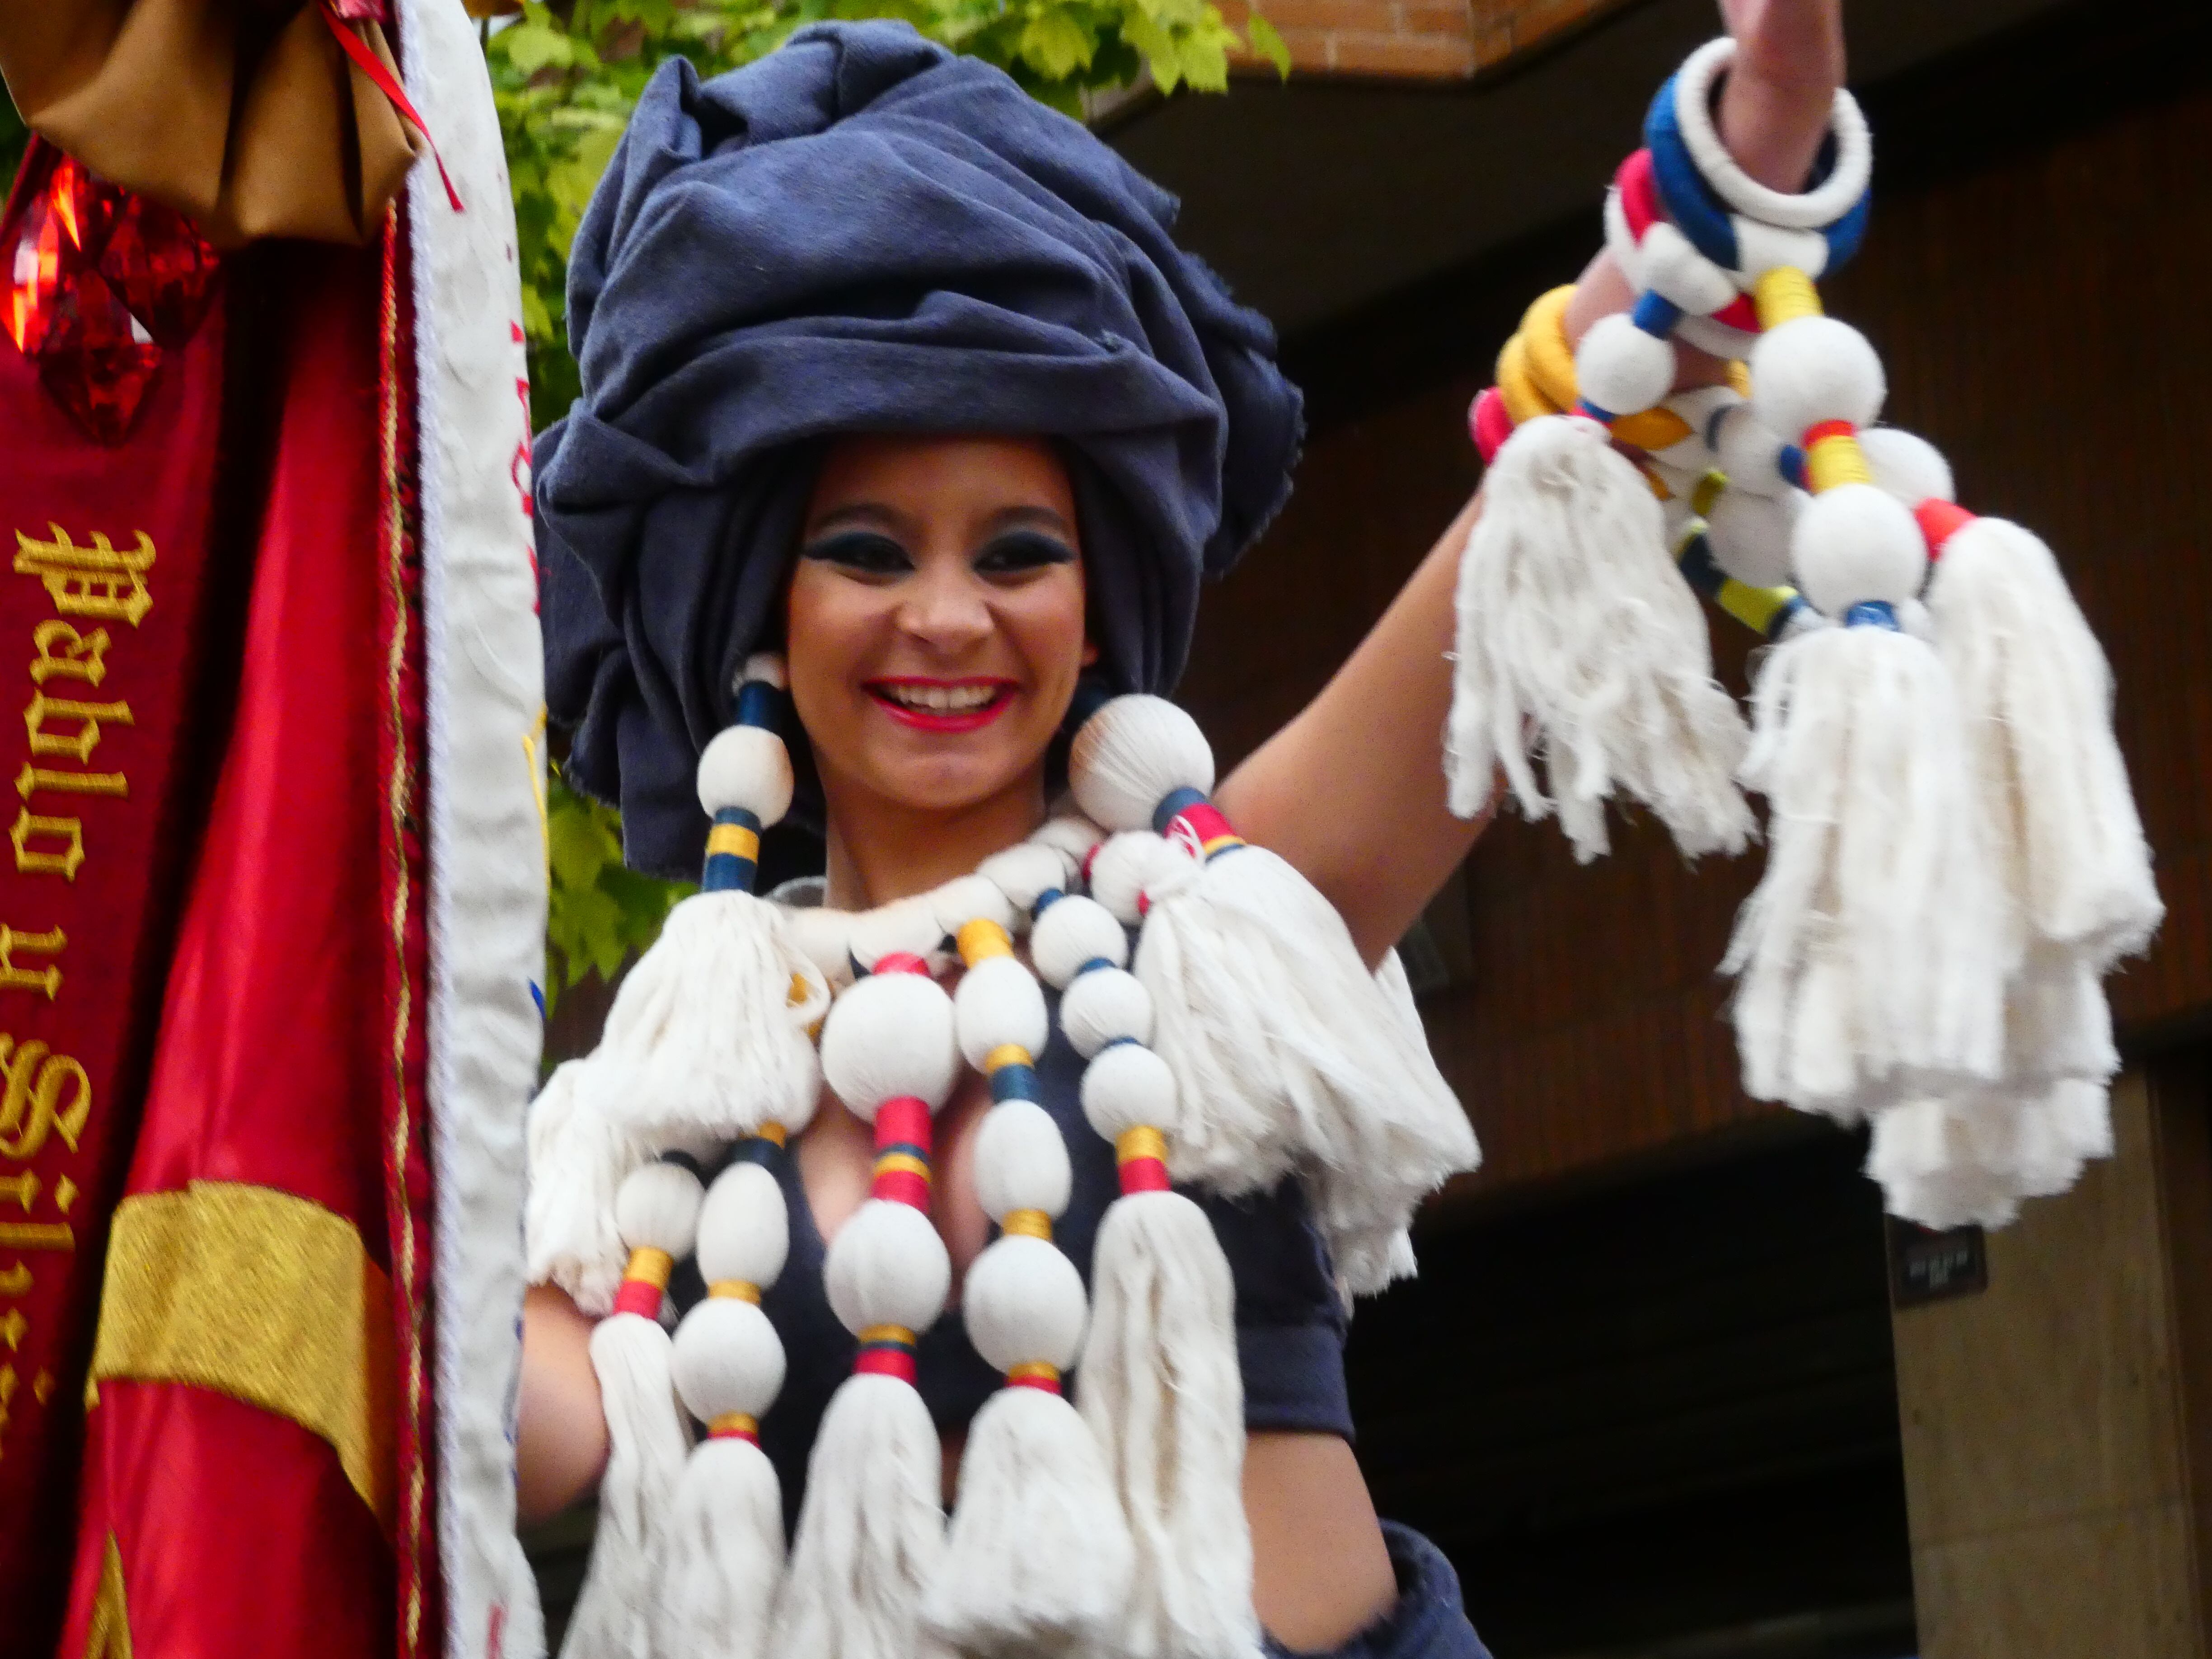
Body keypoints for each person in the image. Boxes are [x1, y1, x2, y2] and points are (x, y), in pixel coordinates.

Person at [520, 5, 1846, 1654]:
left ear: (1095, 607)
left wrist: (1763, 129)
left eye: (1018, 554)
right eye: (868, 552)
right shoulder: (653, 1096)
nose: (949, 617)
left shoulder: (1217, 910)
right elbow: (512, 1427)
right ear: (762, 616)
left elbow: (1570, 490)